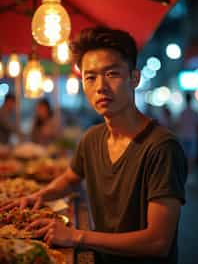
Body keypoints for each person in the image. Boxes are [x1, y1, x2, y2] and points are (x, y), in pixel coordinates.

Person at [1, 26, 187, 264]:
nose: (100, 86)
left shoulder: (162, 147)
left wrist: (76, 236)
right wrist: (38, 196)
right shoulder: (92, 138)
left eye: (112, 74)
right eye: (90, 77)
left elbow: (157, 242)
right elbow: (70, 178)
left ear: (135, 78)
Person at [175, 93, 198, 173]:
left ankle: (186, 172)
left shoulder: (182, 113)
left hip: (183, 136)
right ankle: (190, 172)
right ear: (191, 100)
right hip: (192, 136)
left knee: (184, 155)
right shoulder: (194, 113)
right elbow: (197, 126)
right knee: (192, 156)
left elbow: (178, 125)